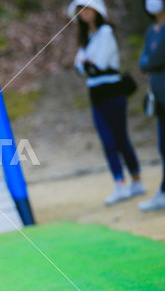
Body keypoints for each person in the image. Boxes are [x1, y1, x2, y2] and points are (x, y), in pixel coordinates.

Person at [68, 0, 145, 205]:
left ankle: (136, 180)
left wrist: (87, 63)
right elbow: (80, 67)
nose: (84, 13)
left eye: (88, 8)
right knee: (107, 139)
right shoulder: (88, 37)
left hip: (113, 92)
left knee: (120, 138)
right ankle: (119, 183)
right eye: (81, 10)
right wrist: (86, 63)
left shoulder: (106, 33)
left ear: (97, 10)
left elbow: (98, 65)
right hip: (96, 95)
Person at [138, 0, 165, 210]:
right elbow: (144, 61)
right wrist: (151, 61)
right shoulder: (150, 31)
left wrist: (152, 60)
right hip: (158, 97)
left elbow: (154, 58)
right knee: (163, 146)